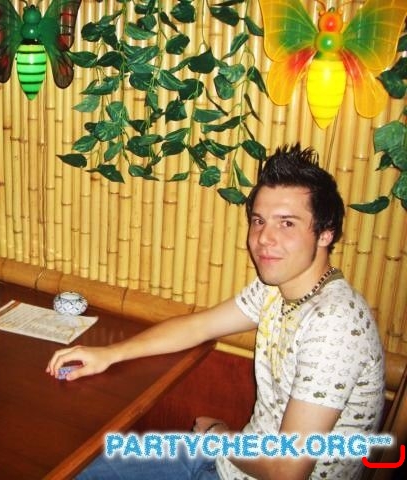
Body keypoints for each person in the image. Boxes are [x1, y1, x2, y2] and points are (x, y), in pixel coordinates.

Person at [47, 144, 385, 480]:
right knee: (74, 472)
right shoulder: (275, 289)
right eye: (259, 221)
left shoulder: (335, 323)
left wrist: (217, 435)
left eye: (286, 223)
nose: (264, 238)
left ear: (325, 233)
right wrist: (110, 354)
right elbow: (198, 327)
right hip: (229, 461)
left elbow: (287, 469)